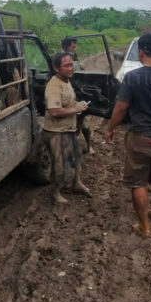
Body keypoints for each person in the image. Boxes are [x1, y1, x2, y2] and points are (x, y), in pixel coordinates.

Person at [104, 34, 151, 237]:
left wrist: (110, 127)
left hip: (141, 137)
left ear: (141, 52)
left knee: (138, 182)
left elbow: (121, 109)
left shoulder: (133, 77)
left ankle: (144, 226)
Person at [42, 52, 90, 204]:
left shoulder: (66, 81)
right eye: (67, 65)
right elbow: (54, 111)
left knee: (76, 157)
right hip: (56, 132)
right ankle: (55, 194)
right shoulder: (53, 87)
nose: (71, 68)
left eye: (72, 64)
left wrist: (77, 105)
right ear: (57, 68)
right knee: (59, 165)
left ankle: (77, 184)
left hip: (69, 129)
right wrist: (77, 109)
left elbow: (66, 104)